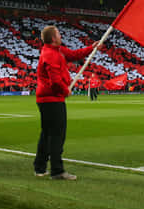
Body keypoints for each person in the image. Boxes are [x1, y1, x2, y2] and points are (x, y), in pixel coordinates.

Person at [33, 25, 100, 181]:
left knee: (46, 134)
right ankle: (57, 171)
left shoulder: (57, 51)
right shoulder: (51, 54)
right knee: (57, 135)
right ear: (53, 38)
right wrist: (65, 90)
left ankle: (40, 167)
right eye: (58, 34)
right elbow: (55, 80)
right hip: (52, 99)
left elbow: (74, 54)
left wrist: (91, 47)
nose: (61, 36)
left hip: (47, 99)